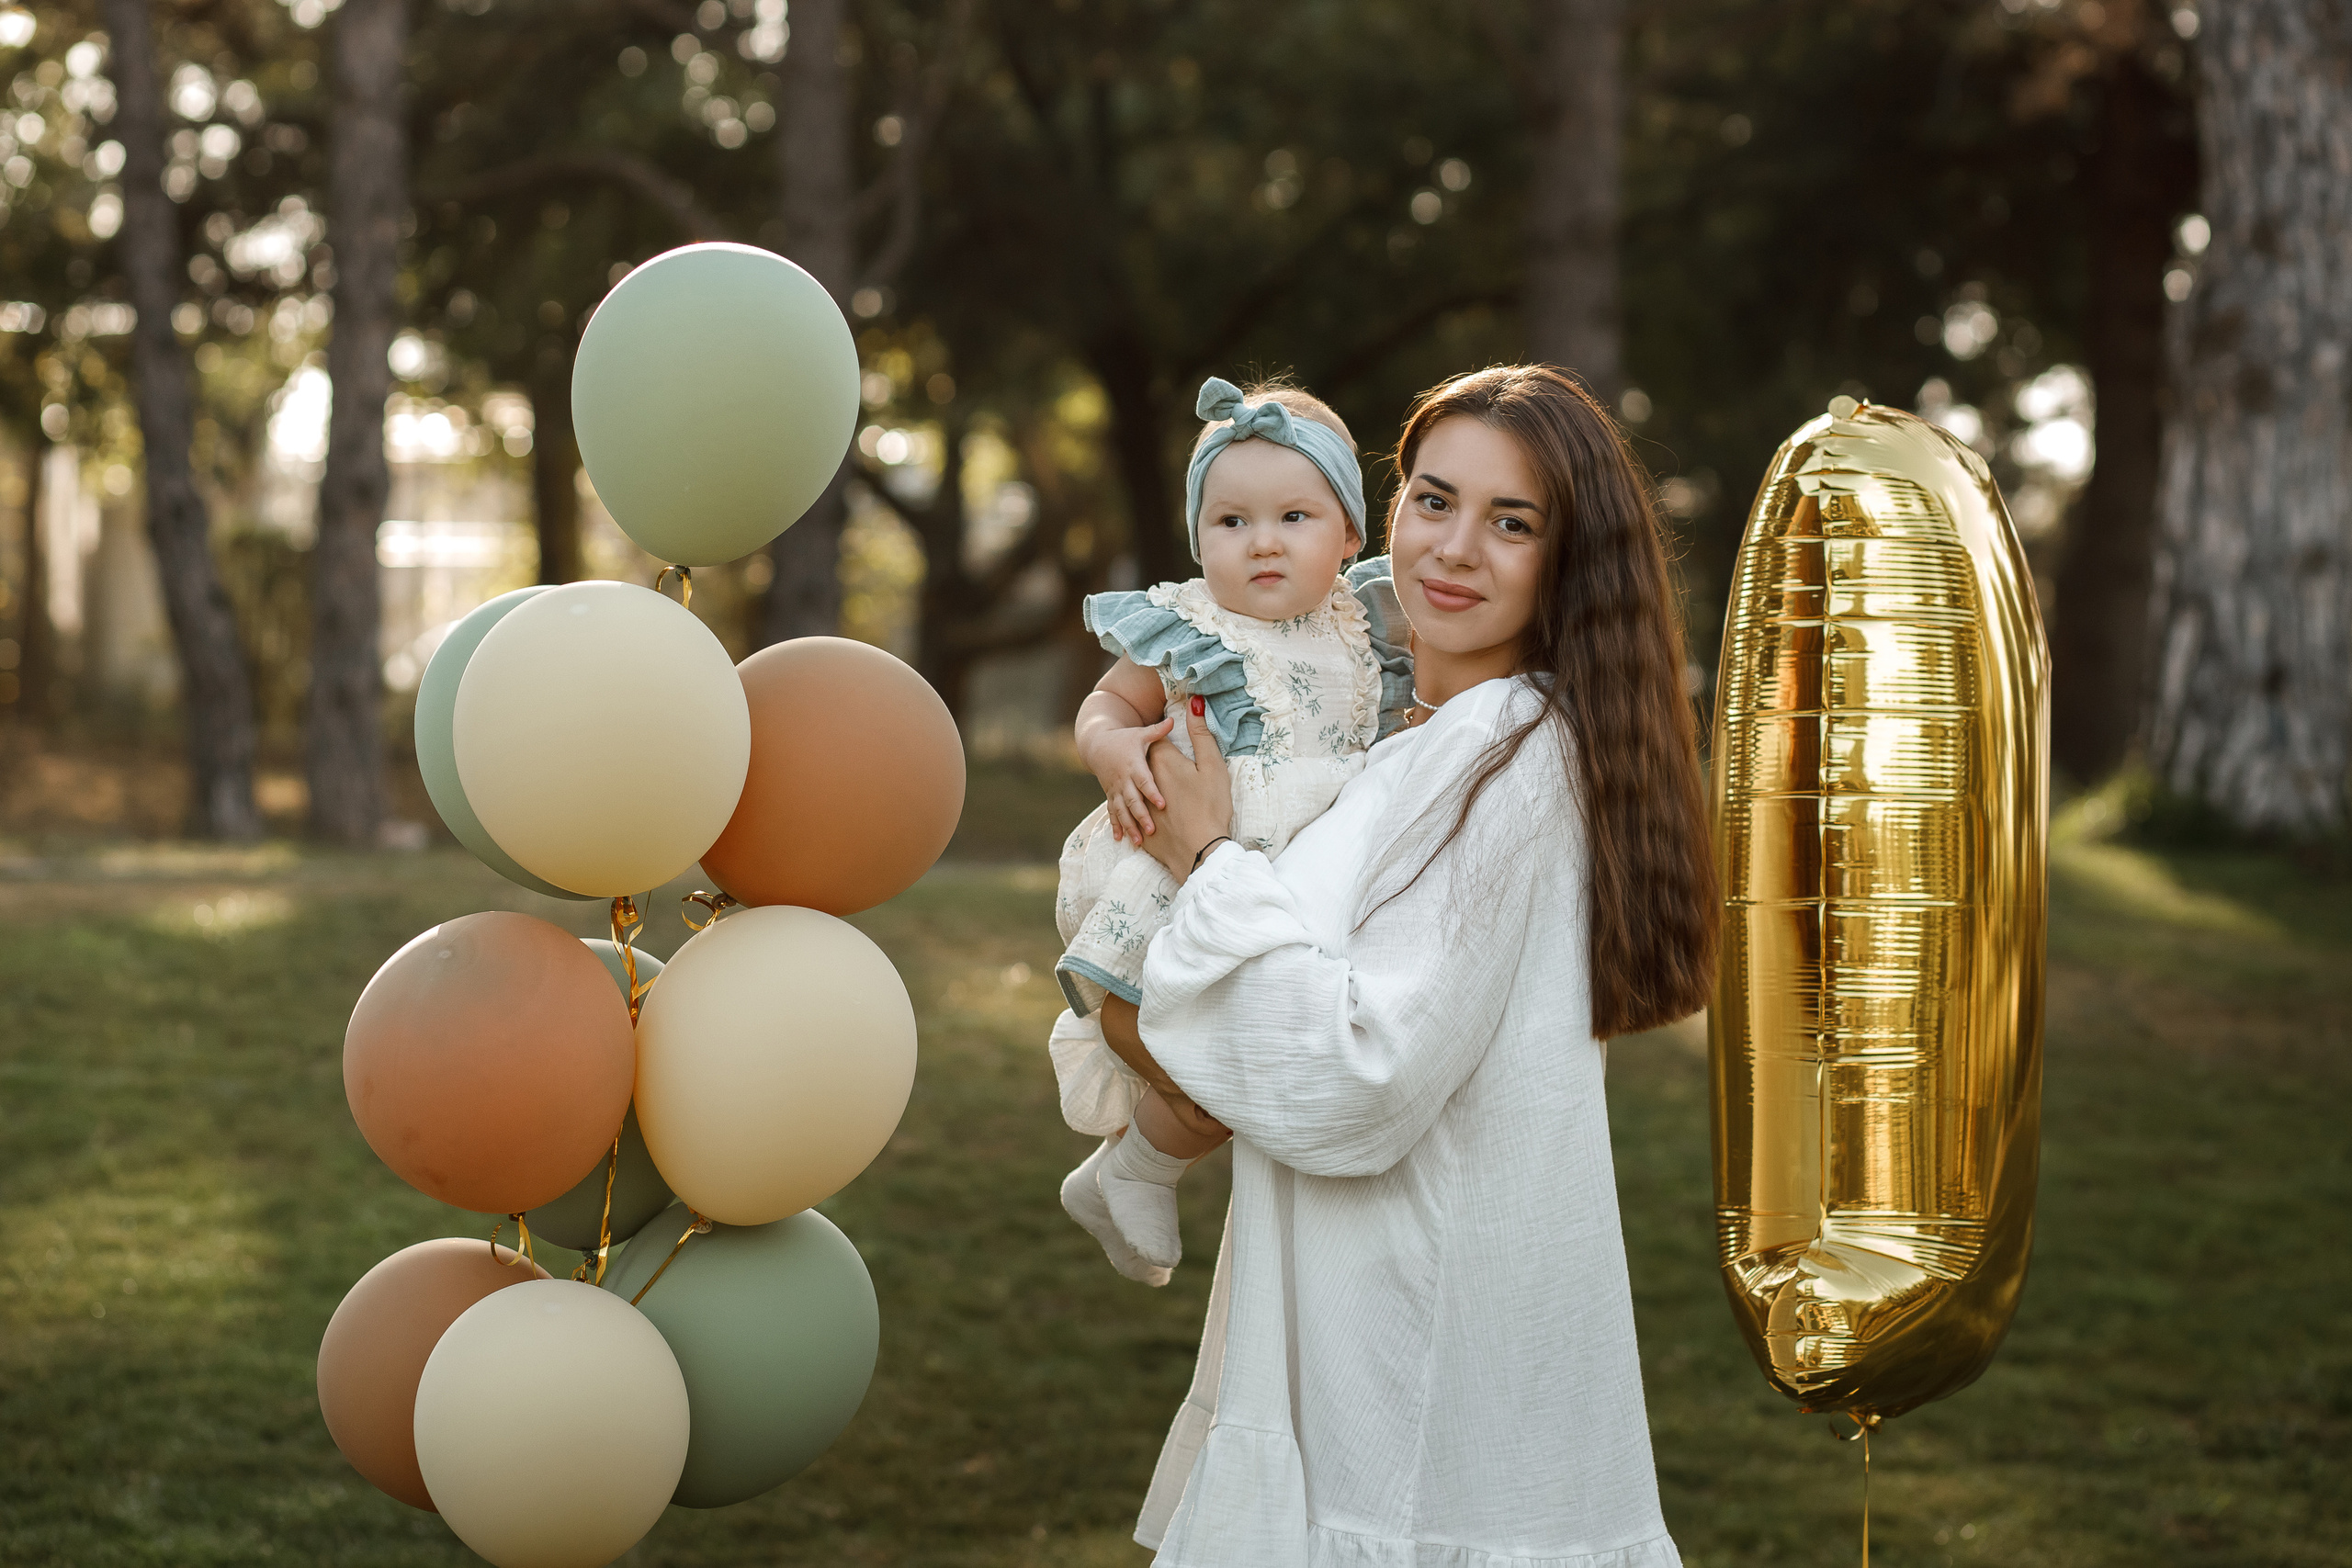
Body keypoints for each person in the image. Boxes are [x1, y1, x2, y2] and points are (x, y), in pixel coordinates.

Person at [1097, 365, 1716, 1565]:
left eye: (1514, 521)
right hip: (1366, 1357)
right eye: (1434, 500)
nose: (1456, 548)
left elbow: (1359, 1076)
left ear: (1570, 558)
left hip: (1411, 1412)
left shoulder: (1510, 757)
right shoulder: (1429, 745)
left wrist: (1209, 854)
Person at [1050, 375, 1412, 1284]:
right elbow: (1103, 704)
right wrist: (1110, 751)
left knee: (1249, 1067)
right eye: (1231, 522)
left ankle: (1130, 1168)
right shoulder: (1188, 625)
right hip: (1181, 865)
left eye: (1294, 518)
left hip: (1300, 874)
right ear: (1198, 535)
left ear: (1350, 537)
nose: (1262, 542)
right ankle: (1139, 1158)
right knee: (1183, 1053)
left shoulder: (1364, 627)